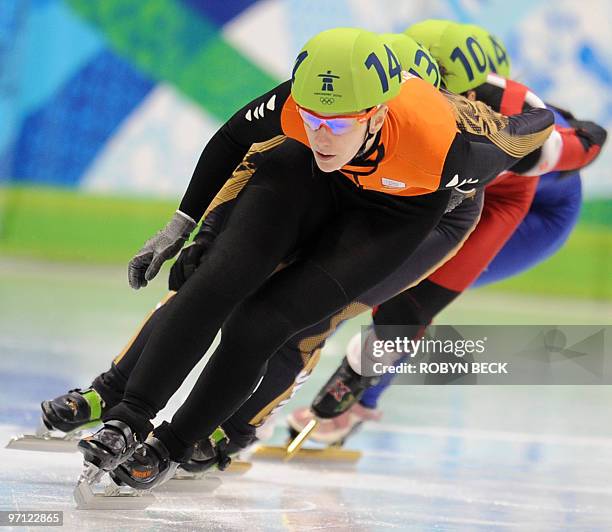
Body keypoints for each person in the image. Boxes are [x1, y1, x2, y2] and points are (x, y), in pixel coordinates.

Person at [67, 27, 552, 489]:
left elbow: (534, 130)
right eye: (313, 119)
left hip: (393, 213)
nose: (321, 133)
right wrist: (186, 223)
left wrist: (533, 130)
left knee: (261, 325)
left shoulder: (455, 146)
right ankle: (128, 419)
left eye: (337, 123)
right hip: (308, 181)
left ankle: (172, 445)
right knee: (214, 284)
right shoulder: (304, 103)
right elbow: (235, 141)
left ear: (378, 113)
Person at [287, 20, 607, 445]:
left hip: (527, 209)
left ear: (474, 97)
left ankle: (354, 403)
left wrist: (350, 384)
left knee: (412, 297)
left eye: (445, 100)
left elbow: (585, 143)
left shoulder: (518, 140)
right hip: (465, 186)